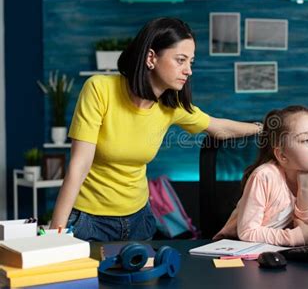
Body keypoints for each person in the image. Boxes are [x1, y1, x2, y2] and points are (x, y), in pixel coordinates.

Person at [50, 17, 262, 242]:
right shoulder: (99, 89)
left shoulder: (171, 106)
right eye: (180, 60)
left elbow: (220, 128)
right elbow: (79, 165)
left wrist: (263, 127)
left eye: (191, 62)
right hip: (89, 220)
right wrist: (56, 233)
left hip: (138, 220)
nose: (188, 70)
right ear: (151, 57)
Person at [213, 105, 308, 246]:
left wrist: (306, 190)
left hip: (282, 249)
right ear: (282, 155)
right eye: (306, 140)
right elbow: (247, 232)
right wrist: (295, 237)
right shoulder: (264, 176)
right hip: (236, 247)